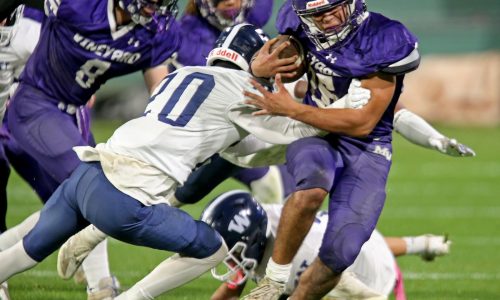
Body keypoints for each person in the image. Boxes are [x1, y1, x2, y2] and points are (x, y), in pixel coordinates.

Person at [0, 23, 371, 299]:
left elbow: (236, 149)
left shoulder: (186, 75)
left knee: (23, 253)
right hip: (124, 198)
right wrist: (345, 108)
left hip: (88, 172)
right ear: (251, 58)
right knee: (213, 248)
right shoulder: (242, 92)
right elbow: (294, 132)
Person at [242, 0, 424, 298]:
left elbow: (362, 123)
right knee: (313, 185)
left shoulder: (385, 37)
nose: (326, 19)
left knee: (343, 250)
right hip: (317, 132)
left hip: (366, 142)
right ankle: (273, 281)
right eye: (315, 14)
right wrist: (261, 66)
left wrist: (291, 110)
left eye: (332, 8)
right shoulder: (294, 21)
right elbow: (276, 64)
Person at [0, 0, 182, 298]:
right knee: (94, 190)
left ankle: (98, 286)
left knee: (81, 202)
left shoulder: (155, 32)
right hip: (35, 105)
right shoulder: (81, 5)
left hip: (71, 112)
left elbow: (160, 93)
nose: (157, 8)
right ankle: (101, 287)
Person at [201, 190, 451, 300]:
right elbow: (232, 289)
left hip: (363, 276)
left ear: (254, 240)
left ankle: (419, 244)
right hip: (352, 237)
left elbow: (368, 297)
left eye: (232, 251)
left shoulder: (302, 258)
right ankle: (421, 243)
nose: (228, 257)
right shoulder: (261, 220)